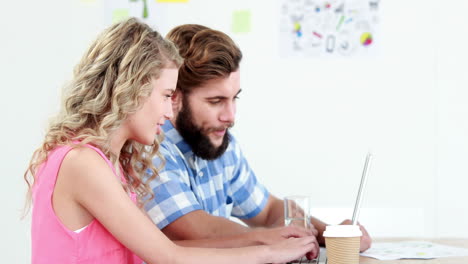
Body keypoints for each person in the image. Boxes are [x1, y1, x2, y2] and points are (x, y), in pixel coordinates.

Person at [23, 18, 318, 264]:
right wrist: (269, 252)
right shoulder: (82, 163)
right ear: (132, 90)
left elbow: (167, 250)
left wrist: (270, 244)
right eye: (166, 96)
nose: (168, 111)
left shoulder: (113, 162)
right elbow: (168, 256)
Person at [146, 24, 372, 254]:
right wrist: (271, 239)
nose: (230, 116)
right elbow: (193, 228)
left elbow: (270, 210)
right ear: (174, 96)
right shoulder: (151, 148)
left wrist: (330, 234)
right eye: (215, 101)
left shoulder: (219, 143)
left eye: (234, 98)